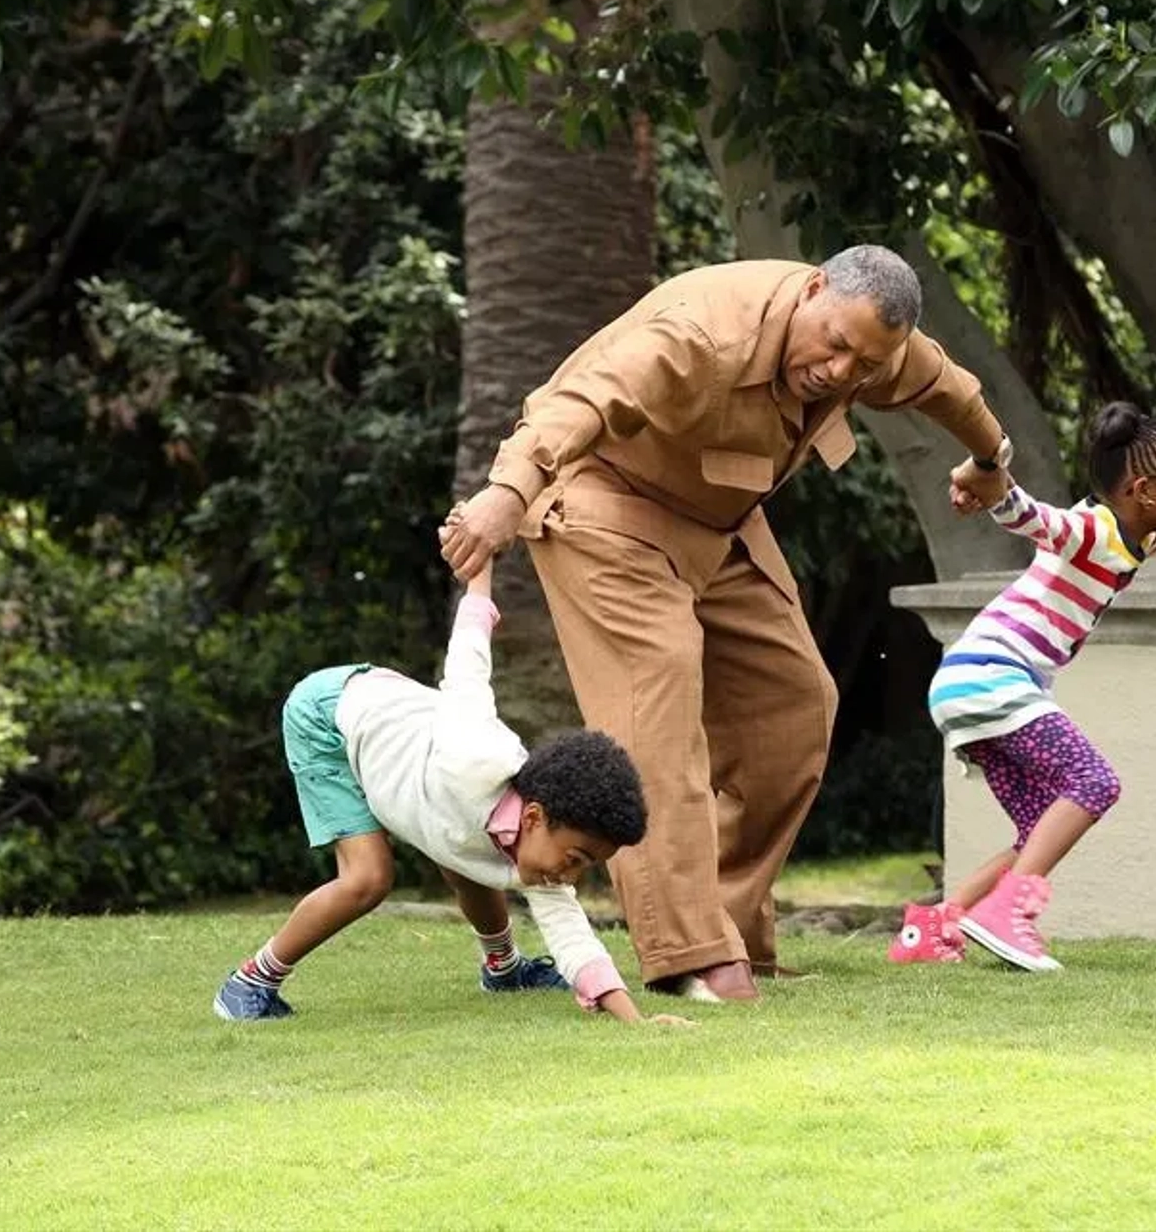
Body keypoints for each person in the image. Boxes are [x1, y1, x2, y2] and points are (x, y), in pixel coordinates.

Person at [440, 245, 1014, 1002]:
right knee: (658, 701)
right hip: (604, 503)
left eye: (865, 365)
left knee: (797, 702)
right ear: (813, 290)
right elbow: (577, 401)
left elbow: (951, 389)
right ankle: (686, 955)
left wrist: (990, 460)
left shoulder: (877, 350)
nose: (842, 373)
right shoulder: (702, 333)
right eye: (836, 345)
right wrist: (508, 493)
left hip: (718, 520)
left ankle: (729, 927)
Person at [888, 401, 1156, 971]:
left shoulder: (1146, 537)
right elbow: (1033, 517)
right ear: (1144, 490)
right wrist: (991, 485)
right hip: (989, 675)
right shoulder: (1091, 529)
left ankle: (934, 927)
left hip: (971, 688)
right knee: (1093, 781)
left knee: (1040, 828)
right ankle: (1008, 915)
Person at [212, 554, 688, 1026]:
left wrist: (637, 1024)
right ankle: (249, 983)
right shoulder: (476, 753)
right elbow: (468, 660)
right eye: (577, 858)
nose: (573, 876)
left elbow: (575, 939)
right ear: (533, 817)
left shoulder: (542, 860)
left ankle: (503, 970)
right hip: (331, 717)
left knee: (471, 860)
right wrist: (480, 570)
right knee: (368, 879)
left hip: (407, 748)